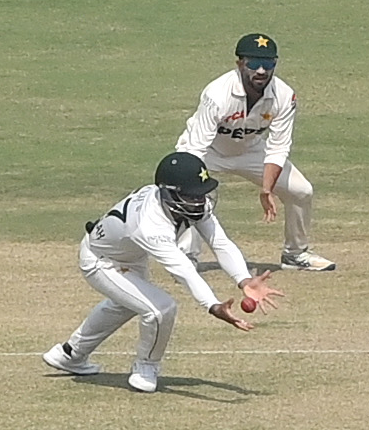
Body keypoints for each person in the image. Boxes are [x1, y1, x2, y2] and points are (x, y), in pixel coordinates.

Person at [41, 151, 283, 393]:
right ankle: (146, 367)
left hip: (129, 257)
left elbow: (220, 242)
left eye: (202, 194)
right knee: (160, 309)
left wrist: (244, 280)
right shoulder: (149, 226)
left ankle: (69, 354)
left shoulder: (189, 203)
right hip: (100, 261)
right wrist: (213, 305)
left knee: (125, 304)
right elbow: (184, 270)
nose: (200, 201)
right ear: (170, 194)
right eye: (192, 196)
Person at [175, 32, 335, 271]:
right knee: (195, 195)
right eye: (253, 64)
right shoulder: (217, 94)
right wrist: (196, 183)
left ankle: (295, 253)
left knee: (301, 191)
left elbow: (278, 147)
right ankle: (185, 259)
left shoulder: (284, 95)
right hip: (208, 152)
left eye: (268, 64)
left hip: (250, 150)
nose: (261, 71)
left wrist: (266, 188)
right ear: (240, 63)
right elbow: (197, 147)